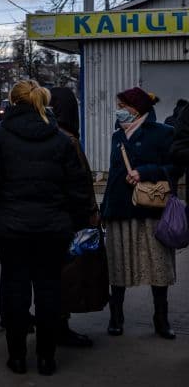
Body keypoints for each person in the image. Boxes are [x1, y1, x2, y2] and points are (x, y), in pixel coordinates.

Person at [0, 82, 92, 376]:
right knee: (49, 290)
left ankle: (17, 357)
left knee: (16, 288)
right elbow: (78, 189)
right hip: (53, 228)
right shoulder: (60, 138)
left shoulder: (1, 135)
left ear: (13, 101)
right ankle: (47, 358)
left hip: (10, 227)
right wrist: (71, 222)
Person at [99, 87, 180, 340]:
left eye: (122, 105)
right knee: (118, 265)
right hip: (120, 208)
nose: (119, 110)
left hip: (151, 209)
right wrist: (105, 208)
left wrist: (144, 172)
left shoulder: (164, 133)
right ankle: (116, 317)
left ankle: (161, 319)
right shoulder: (117, 135)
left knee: (158, 266)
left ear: (136, 108)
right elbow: (113, 173)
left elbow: (175, 167)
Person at [48, 85, 99, 348]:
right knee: (67, 276)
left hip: (47, 219)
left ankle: (54, 324)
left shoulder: (47, 134)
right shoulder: (68, 139)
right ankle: (60, 326)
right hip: (69, 219)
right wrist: (90, 216)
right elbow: (80, 184)